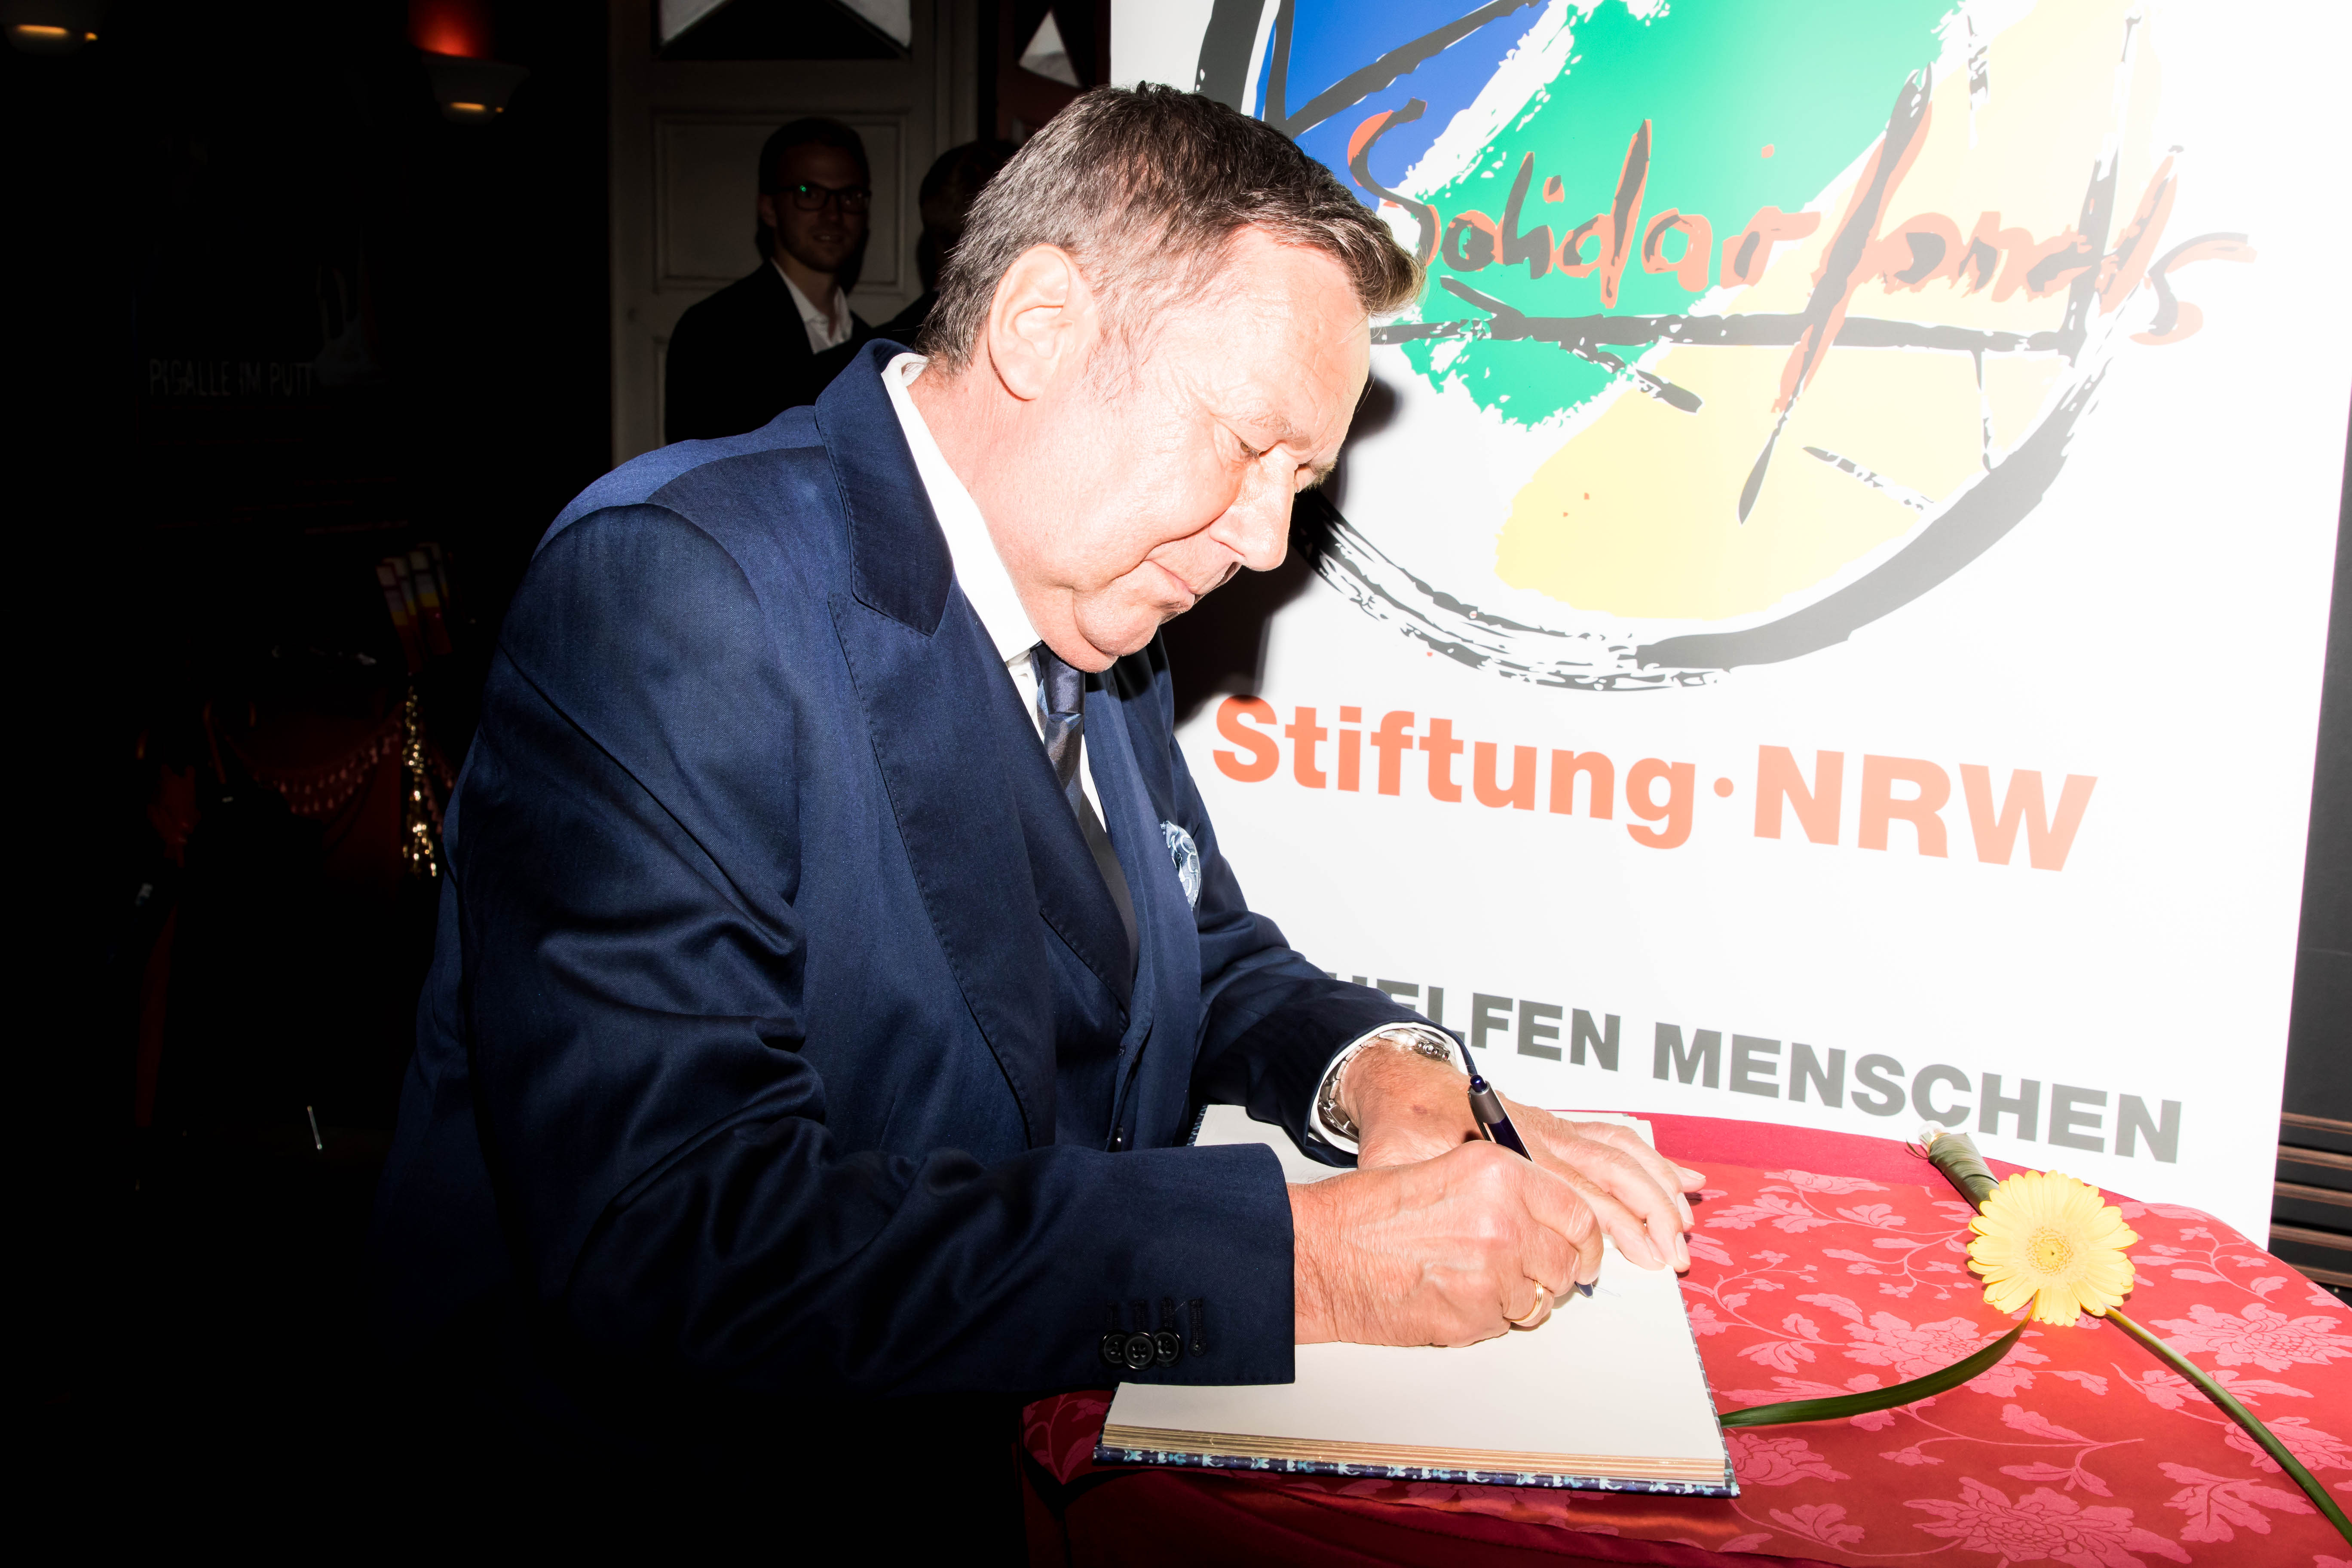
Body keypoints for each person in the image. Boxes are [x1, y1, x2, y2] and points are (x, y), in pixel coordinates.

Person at [373, 85, 1700, 1531]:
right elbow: (679, 1236)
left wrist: (1385, 1070)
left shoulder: (1095, 598)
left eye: (1302, 481)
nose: (1266, 542)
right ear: (1041, 325)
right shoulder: (673, 589)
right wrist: (1303, 1264)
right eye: (1244, 444)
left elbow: (1194, 954)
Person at [662, 117, 876, 442]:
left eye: (850, 196)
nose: (833, 214)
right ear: (769, 208)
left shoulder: (868, 341)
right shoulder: (712, 330)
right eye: (809, 193)